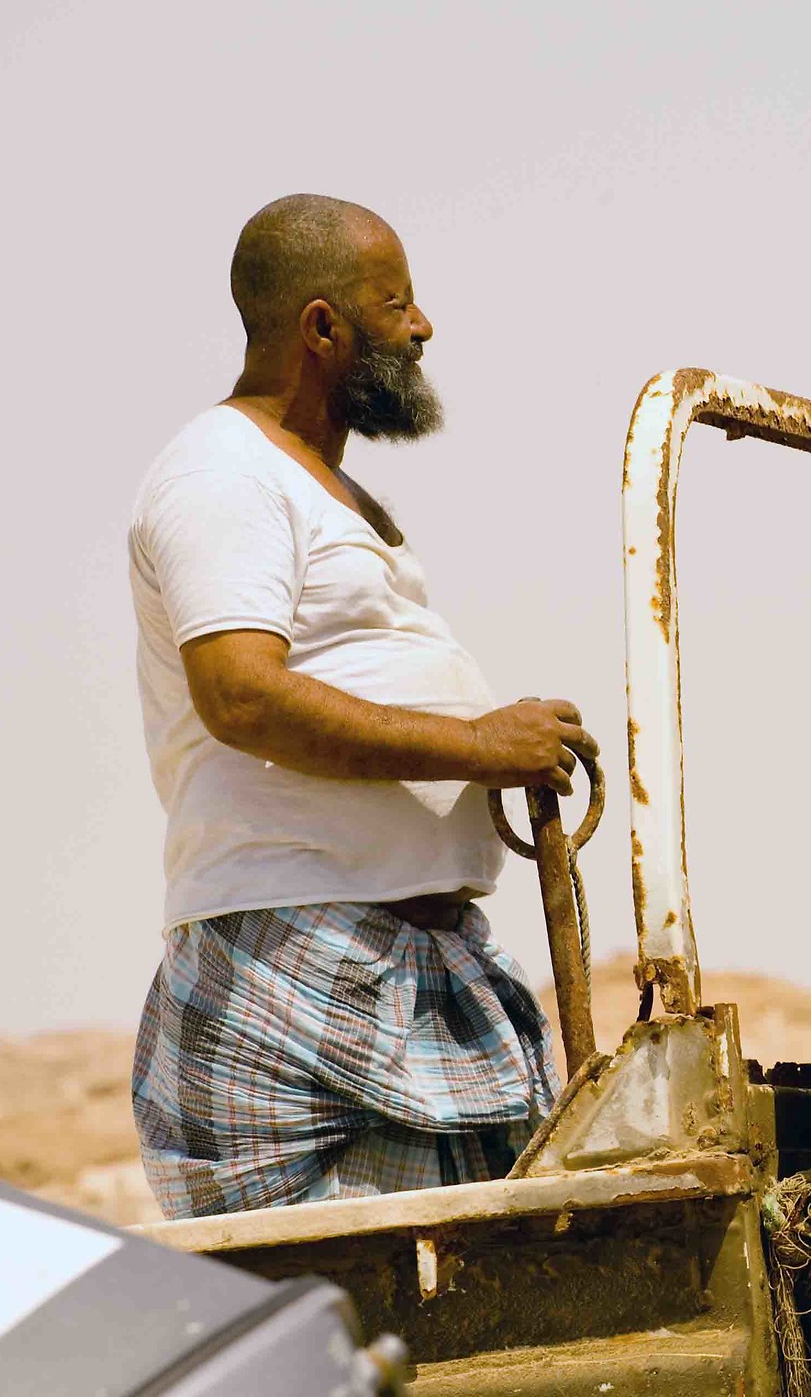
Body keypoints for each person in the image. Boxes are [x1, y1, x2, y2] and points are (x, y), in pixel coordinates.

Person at [128, 194, 597, 1218]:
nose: (423, 326)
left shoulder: (316, 484)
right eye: (398, 304)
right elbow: (241, 696)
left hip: (406, 962)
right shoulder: (224, 473)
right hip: (300, 964)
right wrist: (476, 744)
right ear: (322, 328)